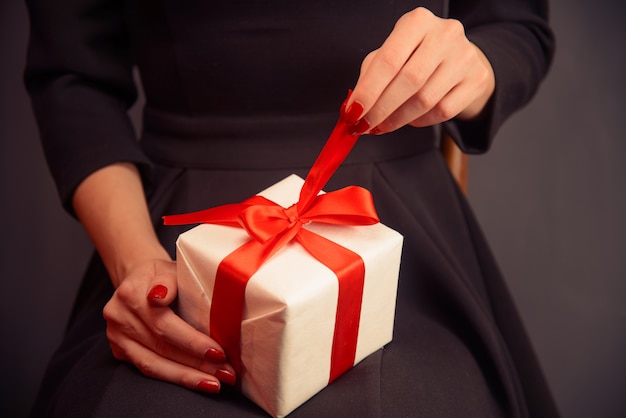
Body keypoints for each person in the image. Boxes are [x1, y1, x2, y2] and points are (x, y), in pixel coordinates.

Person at [24, 0, 558, 416]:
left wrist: (476, 68)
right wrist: (135, 262)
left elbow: (517, 25)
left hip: (397, 215)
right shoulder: (148, 256)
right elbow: (73, 79)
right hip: (160, 229)